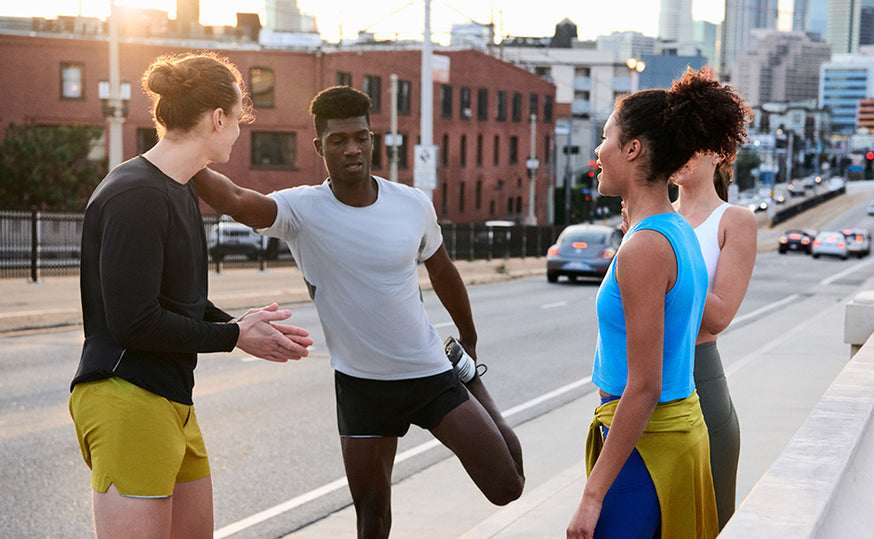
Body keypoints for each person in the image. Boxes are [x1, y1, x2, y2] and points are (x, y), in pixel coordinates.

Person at [192, 85, 524, 538]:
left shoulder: (411, 204)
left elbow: (443, 271)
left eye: (361, 137)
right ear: (319, 147)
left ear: (373, 139)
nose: (352, 149)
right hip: (361, 387)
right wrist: (182, 150)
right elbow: (233, 198)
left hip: (428, 374)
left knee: (508, 486)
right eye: (338, 140)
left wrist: (468, 337)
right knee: (372, 516)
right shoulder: (300, 210)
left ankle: (470, 378)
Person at [69, 52, 313, 538]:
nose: (240, 131)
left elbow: (179, 300)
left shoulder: (177, 189)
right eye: (239, 118)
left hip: (173, 398)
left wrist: (241, 327)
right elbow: (133, 322)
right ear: (217, 118)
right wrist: (231, 336)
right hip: (126, 396)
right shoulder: (134, 194)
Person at [567, 68, 749, 539]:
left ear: (632, 149)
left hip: (645, 449)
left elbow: (644, 387)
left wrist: (592, 495)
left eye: (606, 136)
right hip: (673, 434)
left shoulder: (647, 247)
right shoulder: (675, 229)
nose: (598, 150)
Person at [670, 151, 757, 528]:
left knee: (708, 527)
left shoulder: (734, 220)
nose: (680, 152)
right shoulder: (653, 216)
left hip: (700, 382)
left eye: (693, 142)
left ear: (719, 152)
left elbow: (719, 315)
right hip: (639, 384)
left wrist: (665, 261)